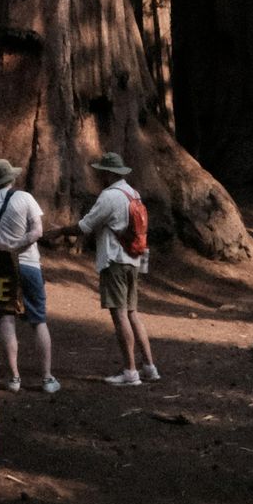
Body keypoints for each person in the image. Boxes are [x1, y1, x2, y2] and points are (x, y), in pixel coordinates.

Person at [57, 151, 160, 387]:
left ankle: (130, 372)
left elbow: (85, 226)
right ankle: (149, 367)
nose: (99, 175)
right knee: (133, 313)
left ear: (108, 174)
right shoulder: (133, 193)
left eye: (101, 172)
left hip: (115, 260)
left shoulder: (109, 196)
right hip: (134, 259)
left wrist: (60, 231)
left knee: (120, 314)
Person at [0, 158, 61, 394]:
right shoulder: (25, 198)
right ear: (11, 178)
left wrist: (1, 249)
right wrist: (17, 246)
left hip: (1, 268)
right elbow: (37, 232)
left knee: (5, 319)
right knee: (38, 320)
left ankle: (14, 378)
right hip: (29, 264)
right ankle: (47, 378)